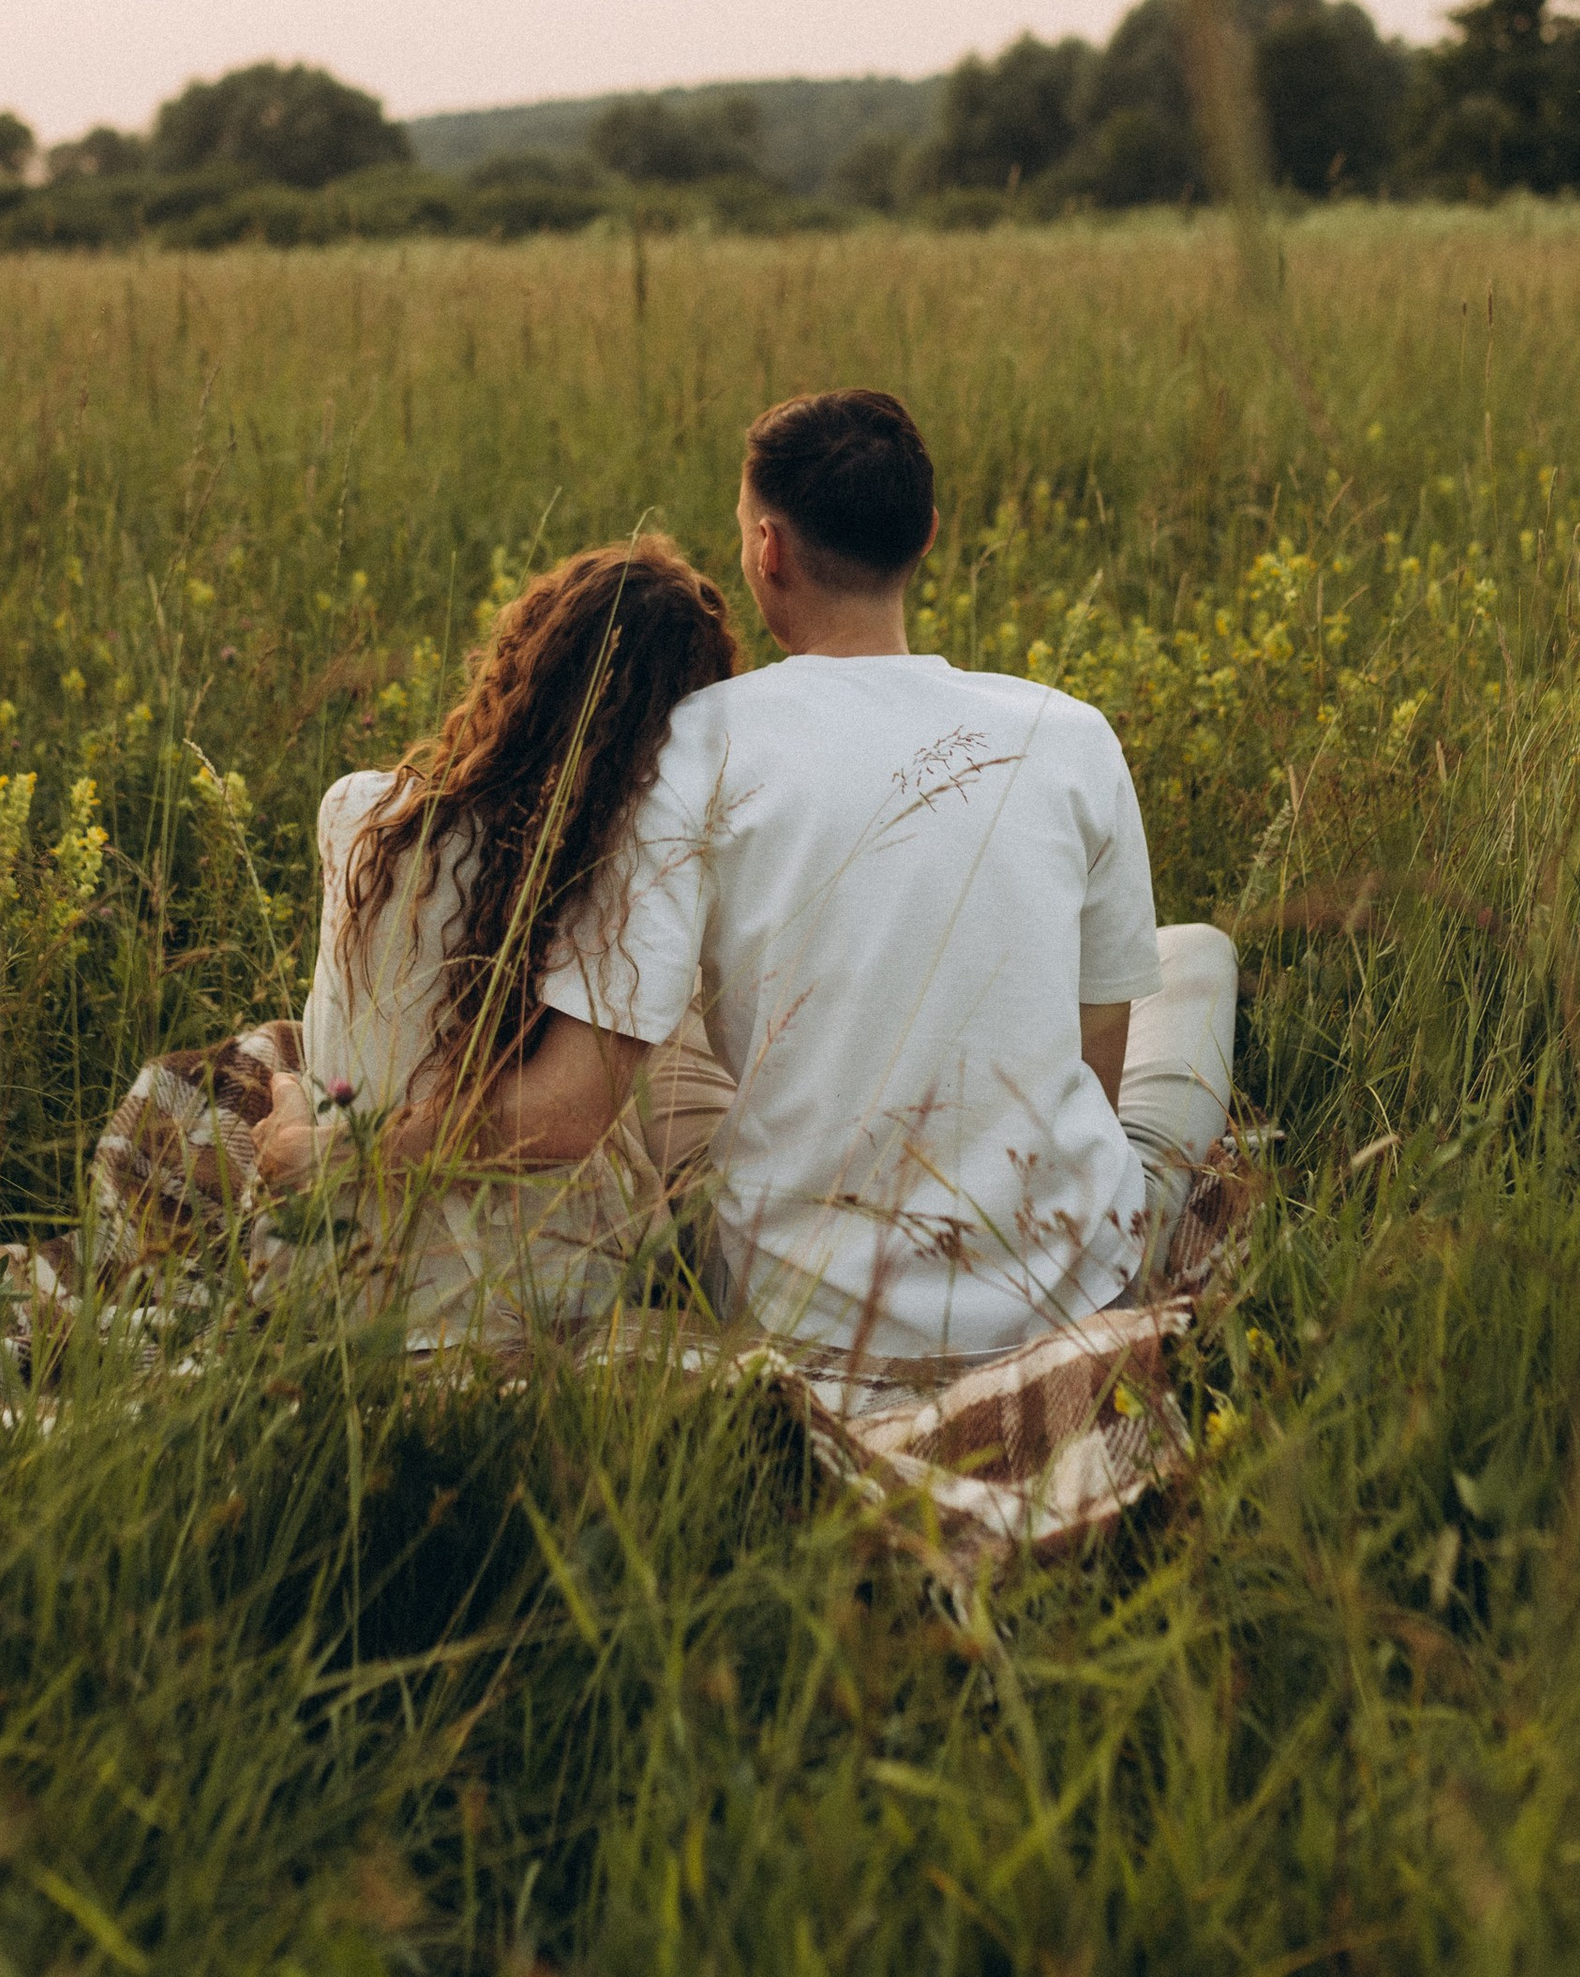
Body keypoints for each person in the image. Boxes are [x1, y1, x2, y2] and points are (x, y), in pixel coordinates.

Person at [507, 389, 1239, 1395]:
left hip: (807, 1313)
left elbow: (565, 1117)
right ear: (926, 536)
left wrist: (350, 1145)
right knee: (1195, 951)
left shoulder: (696, 744)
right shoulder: (1068, 732)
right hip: (1070, 1289)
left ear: (767, 551)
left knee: (659, 1013)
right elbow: (1095, 1075)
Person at [248, 537, 739, 1341]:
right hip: (535, 1291)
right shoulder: (625, 879)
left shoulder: (356, 810)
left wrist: (310, 1121)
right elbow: (567, 1122)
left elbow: (347, 1033)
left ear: (518, 664)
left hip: (313, 1269)